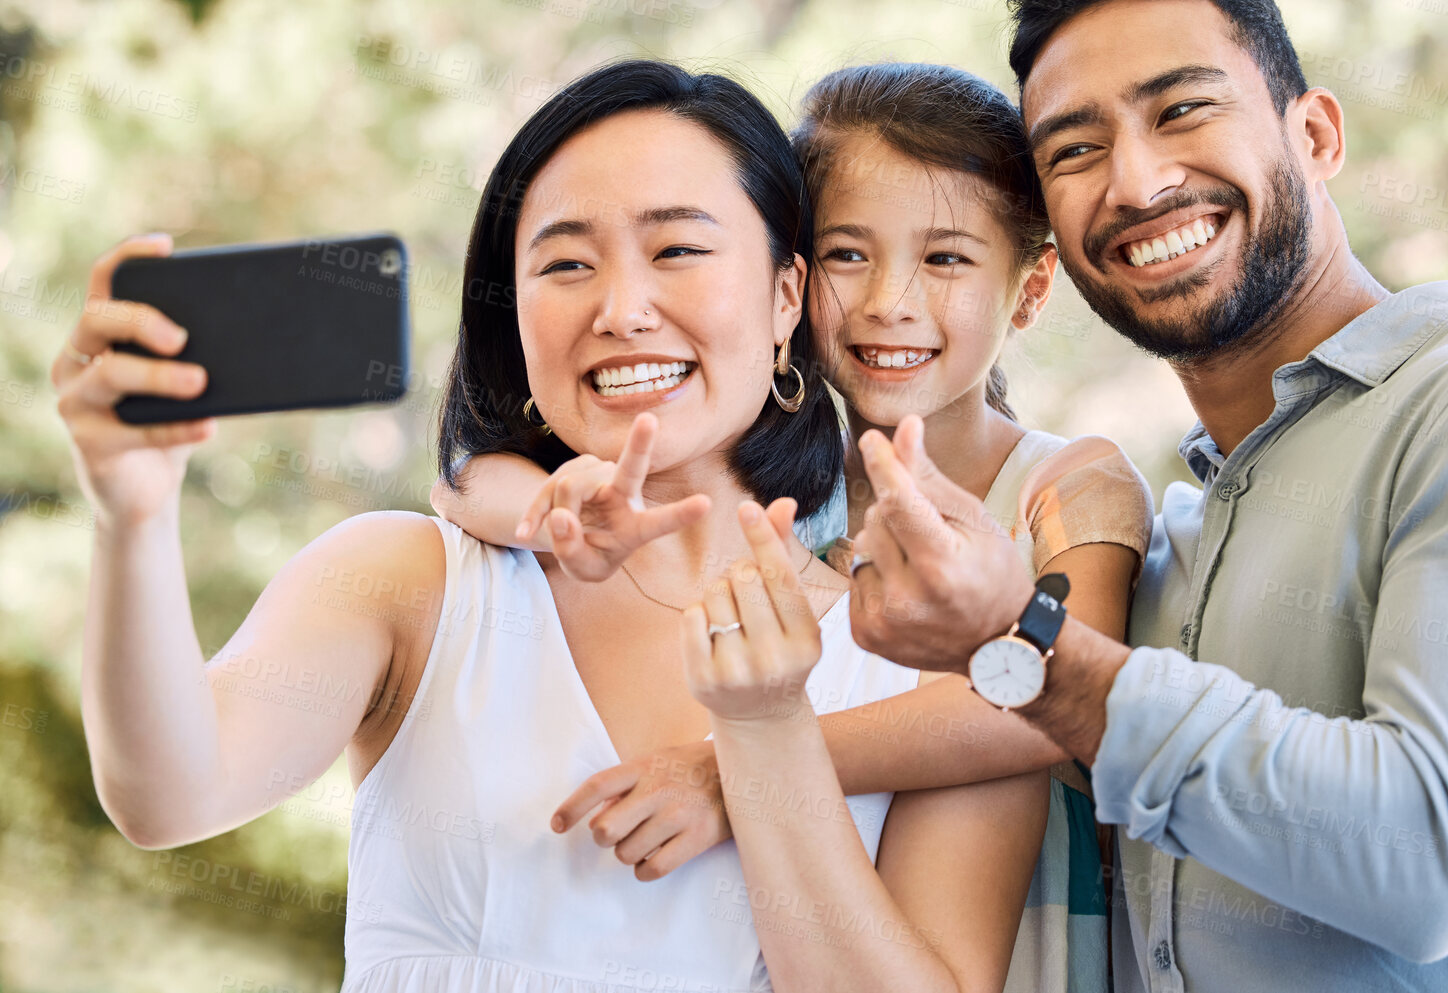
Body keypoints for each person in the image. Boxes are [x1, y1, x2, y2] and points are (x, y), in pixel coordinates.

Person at [54, 59, 1048, 992]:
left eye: (678, 249)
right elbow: (164, 796)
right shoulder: (408, 580)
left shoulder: (926, 653)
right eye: (565, 263)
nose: (621, 308)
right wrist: (131, 516)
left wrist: (765, 731)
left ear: (787, 294)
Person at [842, 0, 1448, 993]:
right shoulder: (1179, 531)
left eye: (1182, 108)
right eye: (1072, 150)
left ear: (1317, 132)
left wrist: (1026, 649)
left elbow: (1421, 859)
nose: (1136, 181)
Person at [436, 60, 1153, 993]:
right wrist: (537, 513)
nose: (889, 300)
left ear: (1026, 289)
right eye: (850, 255)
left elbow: (1044, 704)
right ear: (787, 279)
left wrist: (727, 769)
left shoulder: (1064, 485)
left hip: (1022, 946)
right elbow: (473, 481)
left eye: (944, 258)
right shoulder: (784, 495)